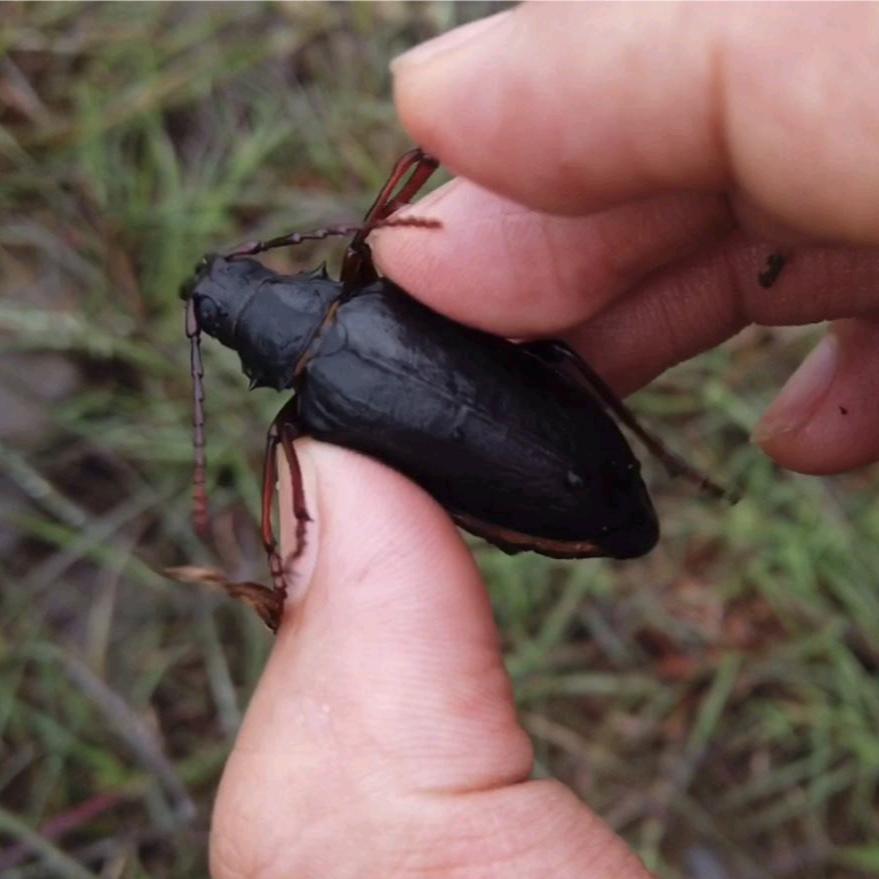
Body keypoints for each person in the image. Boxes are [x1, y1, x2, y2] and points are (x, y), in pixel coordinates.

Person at [210, 6, 879, 877]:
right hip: (569, 469)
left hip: (561, 476)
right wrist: (420, 160)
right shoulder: (362, 300)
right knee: (539, 365)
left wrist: (288, 546)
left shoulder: (304, 419)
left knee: (423, 476)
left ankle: (657, 465)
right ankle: (664, 460)